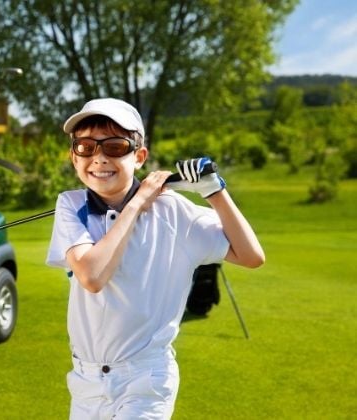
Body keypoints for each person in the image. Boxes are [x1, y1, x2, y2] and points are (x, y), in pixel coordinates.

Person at [46, 98, 265, 419]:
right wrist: (136, 204)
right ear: (73, 156)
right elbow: (92, 276)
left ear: (140, 156)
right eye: (86, 147)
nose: (99, 158)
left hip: (145, 379)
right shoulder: (70, 204)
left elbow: (251, 256)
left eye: (116, 147)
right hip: (86, 381)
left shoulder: (174, 211)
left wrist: (215, 192)